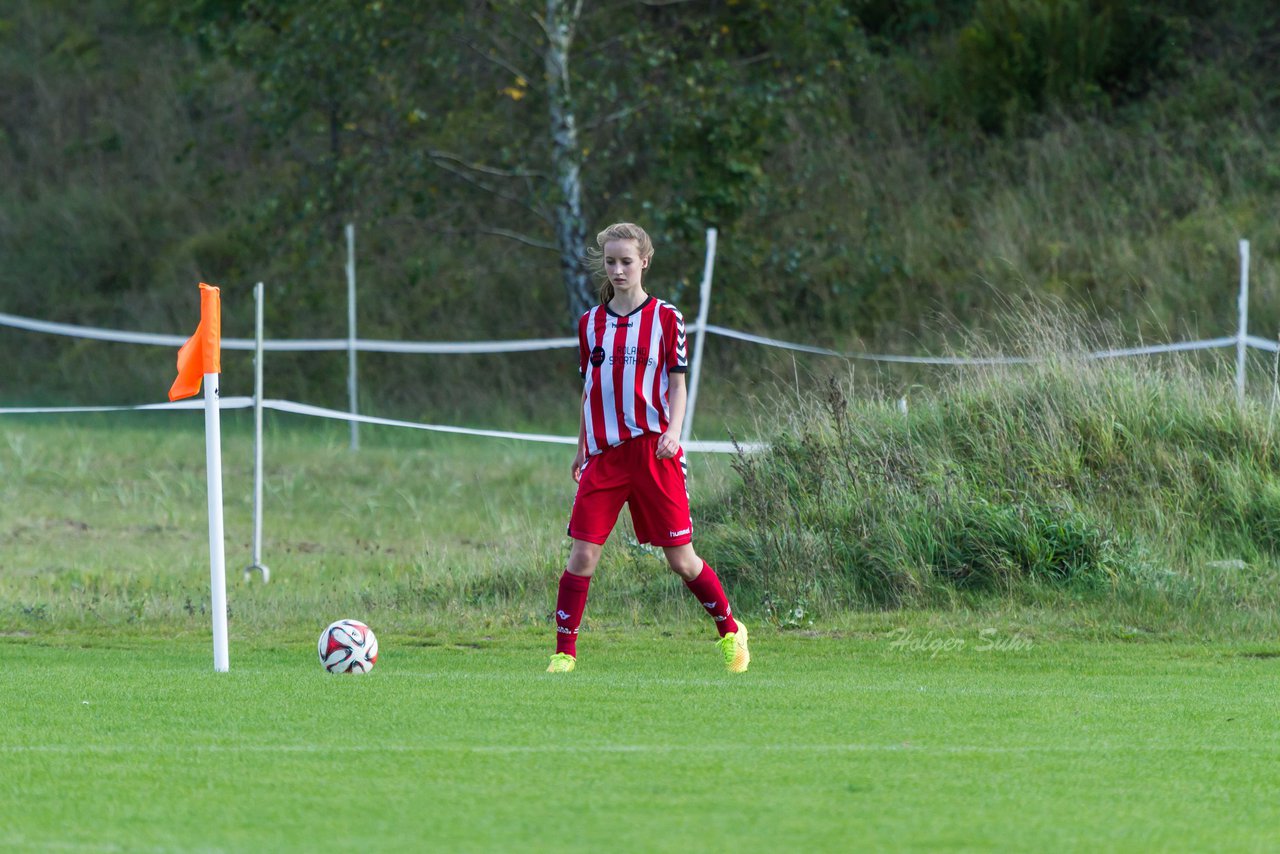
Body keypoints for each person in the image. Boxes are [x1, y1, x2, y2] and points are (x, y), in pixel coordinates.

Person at [546, 222, 750, 674]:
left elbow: (677, 386)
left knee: (681, 559)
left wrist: (674, 431)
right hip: (605, 455)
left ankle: (731, 630)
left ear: (645, 262)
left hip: (654, 453)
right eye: (611, 261)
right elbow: (590, 390)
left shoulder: (665, 318)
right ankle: (564, 654)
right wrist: (582, 445)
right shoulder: (590, 324)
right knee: (582, 555)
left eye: (626, 261)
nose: (618, 270)